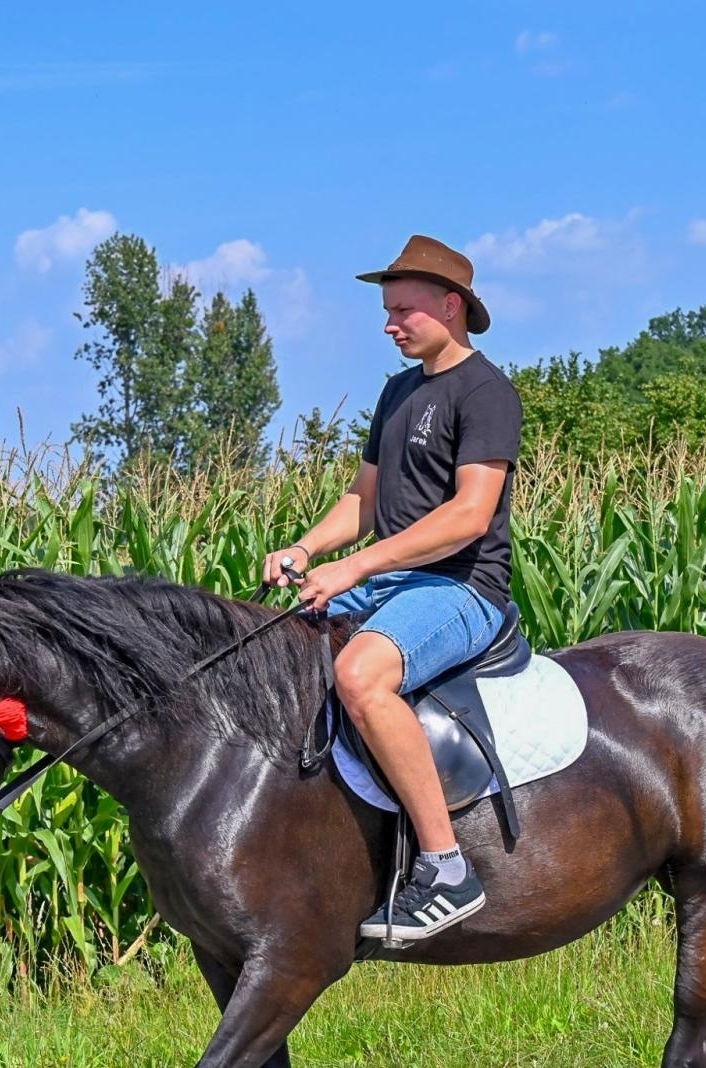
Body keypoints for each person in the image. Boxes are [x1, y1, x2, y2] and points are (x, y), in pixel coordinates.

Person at [264, 235, 522, 941]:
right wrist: (307, 549)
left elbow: (469, 517)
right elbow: (364, 502)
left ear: (451, 306)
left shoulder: (486, 392)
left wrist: (355, 568)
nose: (389, 325)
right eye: (387, 311)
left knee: (361, 674)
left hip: (461, 586)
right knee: (270, 648)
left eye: (403, 310)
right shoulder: (398, 392)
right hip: (391, 583)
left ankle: (446, 869)